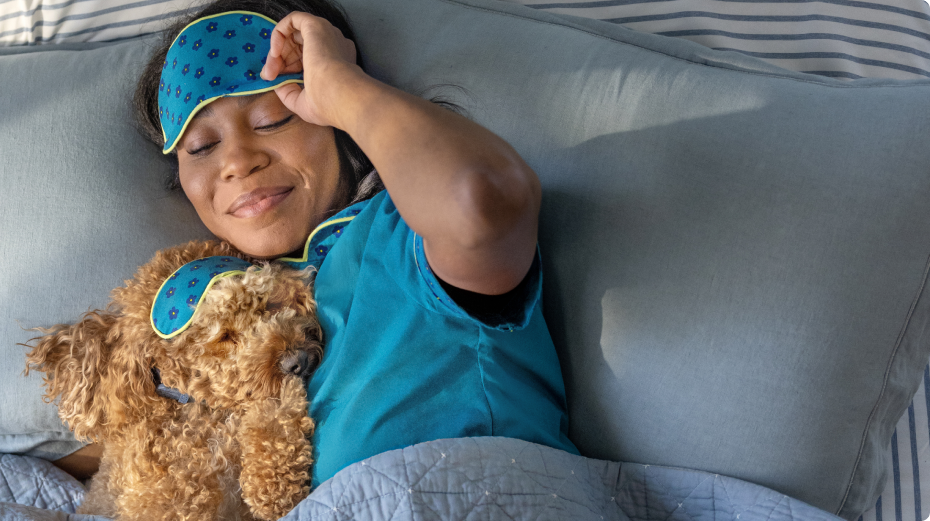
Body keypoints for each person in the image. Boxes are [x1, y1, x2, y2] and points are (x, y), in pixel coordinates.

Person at [54, 0, 580, 487]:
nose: (237, 161)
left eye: (273, 119)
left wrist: (342, 86)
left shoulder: (406, 234)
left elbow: (483, 198)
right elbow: (141, 440)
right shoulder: (225, 310)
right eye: (201, 147)